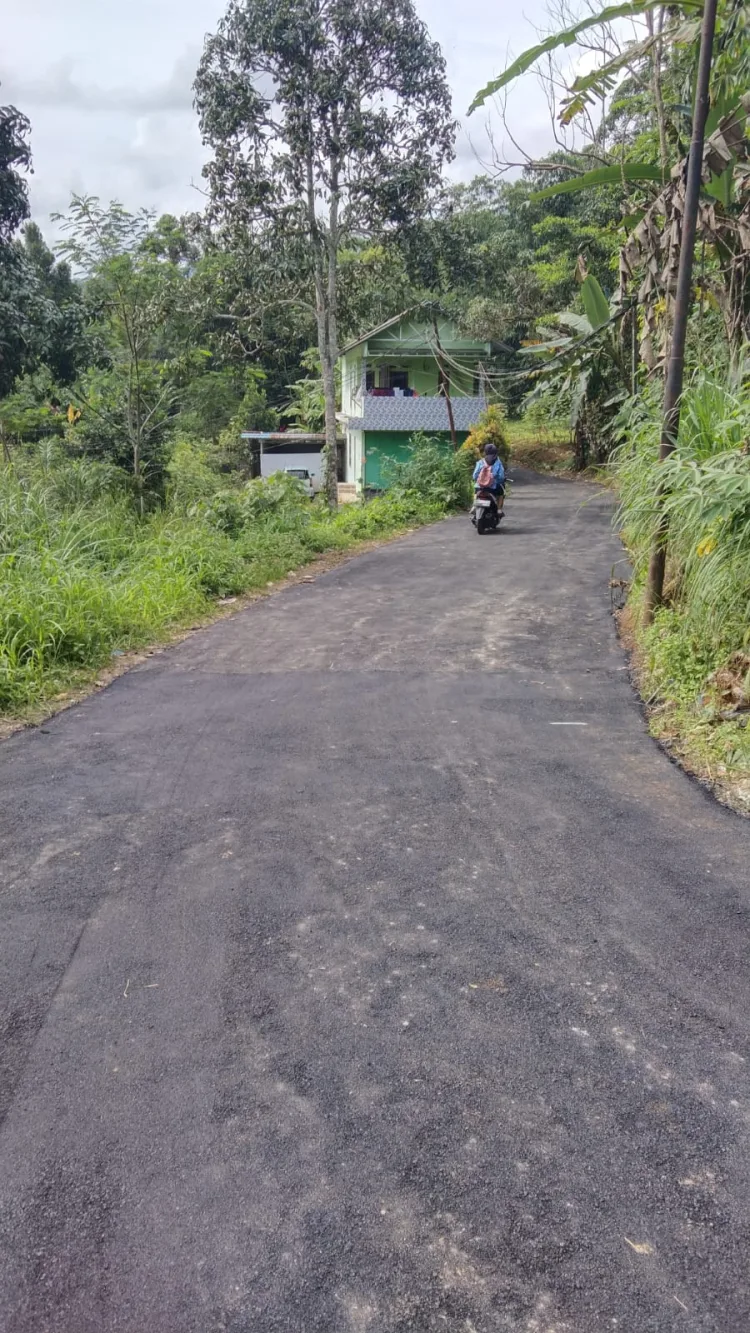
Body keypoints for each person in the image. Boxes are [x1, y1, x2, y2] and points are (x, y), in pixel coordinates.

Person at [472, 443, 505, 515]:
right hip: (493, 488)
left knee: (476, 490)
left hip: (480, 486)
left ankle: (474, 506)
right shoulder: (498, 462)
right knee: (501, 493)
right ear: (496, 452)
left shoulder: (481, 462)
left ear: (485, 452)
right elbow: (501, 477)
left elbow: (474, 476)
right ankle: (499, 510)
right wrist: (498, 480)